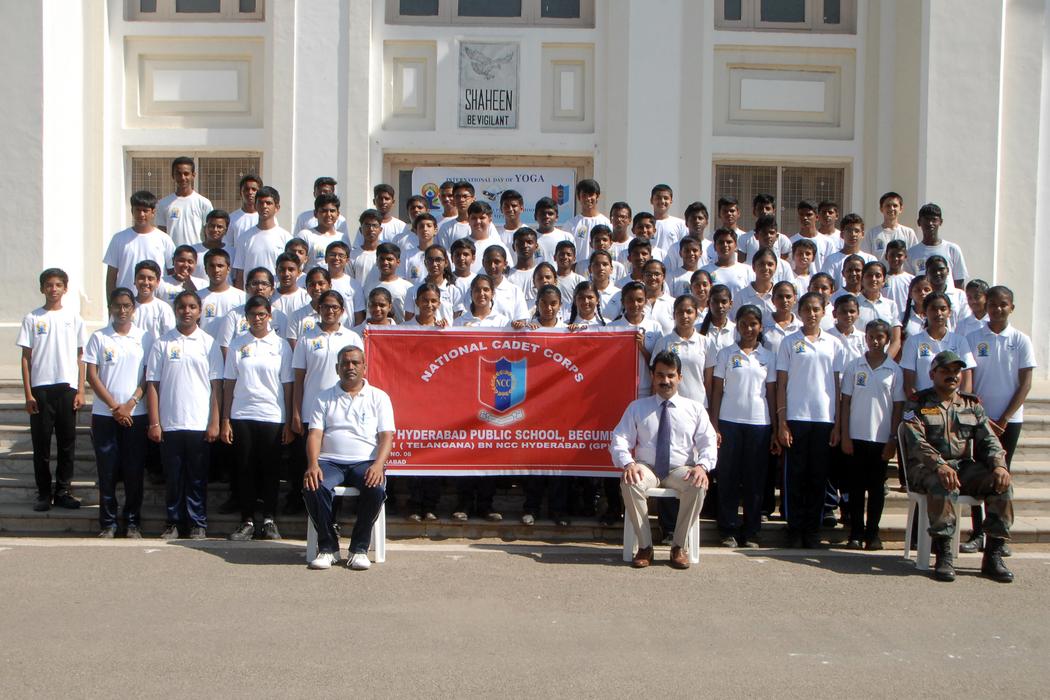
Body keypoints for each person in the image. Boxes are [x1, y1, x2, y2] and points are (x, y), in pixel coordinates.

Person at [900, 350, 1015, 583]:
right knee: (943, 481)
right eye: (945, 371)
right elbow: (916, 442)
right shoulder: (918, 403)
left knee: (1001, 483)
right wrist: (939, 465)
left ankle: (993, 555)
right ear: (932, 374)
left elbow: (989, 439)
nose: (952, 375)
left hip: (963, 466)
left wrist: (1000, 465)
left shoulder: (971, 405)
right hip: (925, 468)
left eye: (956, 371)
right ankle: (944, 553)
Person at [611, 351, 717, 569]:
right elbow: (619, 439)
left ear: (680, 377)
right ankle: (645, 546)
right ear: (652, 376)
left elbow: (708, 442)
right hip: (647, 468)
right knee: (629, 481)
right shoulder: (637, 407)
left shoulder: (694, 409)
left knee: (698, 484)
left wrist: (702, 466)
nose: (665, 381)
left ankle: (678, 546)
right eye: (660, 375)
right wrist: (628, 463)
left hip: (681, 469)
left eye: (670, 375)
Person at [303, 345, 394, 571]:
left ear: (364, 367)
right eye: (345, 363)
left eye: (355, 363)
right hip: (330, 461)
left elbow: (387, 437)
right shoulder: (323, 397)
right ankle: (328, 548)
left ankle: (359, 549)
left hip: (365, 462)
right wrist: (313, 464)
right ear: (337, 368)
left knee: (376, 488)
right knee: (313, 485)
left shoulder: (379, 397)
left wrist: (378, 465)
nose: (350, 367)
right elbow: (315, 435)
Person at [962, 285, 1035, 554]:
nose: (997, 309)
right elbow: (968, 382)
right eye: (993, 304)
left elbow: (1025, 384)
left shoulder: (1021, 340)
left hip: (1009, 421)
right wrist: (979, 415)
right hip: (980, 421)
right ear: (986, 306)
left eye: (1003, 304)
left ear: (1011, 307)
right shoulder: (972, 338)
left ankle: (999, 537)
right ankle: (978, 532)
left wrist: (1004, 418)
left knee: (1002, 474)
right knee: (979, 474)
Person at [146, 291, 223, 540]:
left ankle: (197, 522)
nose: (187, 311)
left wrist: (214, 421)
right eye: (182, 307)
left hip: (199, 422)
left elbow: (216, 386)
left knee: (197, 477)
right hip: (170, 422)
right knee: (173, 477)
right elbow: (153, 384)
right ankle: (173, 522)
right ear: (175, 310)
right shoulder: (162, 343)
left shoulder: (208, 343)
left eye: (192, 307)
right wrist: (155, 422)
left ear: (199, 311)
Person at [775, 291, 846, 548]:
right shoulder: (789, 342)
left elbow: (838, 387)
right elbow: (781, 384)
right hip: (796, 417)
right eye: (807, 309)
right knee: (795, 477)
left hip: (824, 419)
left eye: (816, 309)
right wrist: (782, 422)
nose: (812, 314)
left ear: (824, 312)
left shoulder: (834, 343)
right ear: (800, 312)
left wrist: (838, 424)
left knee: (818, 477)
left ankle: (812, 530)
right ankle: (794, 529)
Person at [221, 295, 294, 542]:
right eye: (253, 314)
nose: (257, 319)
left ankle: (270, 519)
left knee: (270, 470)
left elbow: (287, 384)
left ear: (269, 316)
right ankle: (247, 520)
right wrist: (225, 419)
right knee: (245, 469)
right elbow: (229, 383)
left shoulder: (281, 345)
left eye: (262, 314)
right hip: (242, 414)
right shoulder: (237, 344)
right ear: (246, 317)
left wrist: (288, 421)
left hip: (272, 415)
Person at [84, 288, 152, 538]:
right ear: (110, 307)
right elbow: (92, 376)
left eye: (126, 306)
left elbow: (148, 375)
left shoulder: (145, 337)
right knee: (107, 470)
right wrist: (115, 407)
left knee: (134, 469)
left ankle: (133, 522)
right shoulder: (99, 337)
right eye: (117, 305)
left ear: (133, 309)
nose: (122, 310)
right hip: (105, 415)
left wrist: (131, 403)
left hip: (136, 413)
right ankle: (108, 523)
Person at [18, 269, 87, 512]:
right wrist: (28, 394)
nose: (53, 289)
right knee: (42, 444)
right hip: (41, 389)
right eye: (49, 285)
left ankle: (63, 490)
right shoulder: (32, 318)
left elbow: (81, 356)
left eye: (58, 285)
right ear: (42, 288)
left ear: (65, 288)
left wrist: (81, 390)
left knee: (67, 442)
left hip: (67, 388)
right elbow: (26, 358)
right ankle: (44, 493)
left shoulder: (74, 318)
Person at [709, 304, 777, 548]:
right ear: (737, 326)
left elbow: (771, 393)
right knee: (727, 477)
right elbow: (717, 391)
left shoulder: (768, 356)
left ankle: (751, 531)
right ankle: (727, 529)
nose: (748, 329)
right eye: (744, 324)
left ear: (760, 327)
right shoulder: (726, 354)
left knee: (754, 480)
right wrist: (714, 425)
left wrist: (776, 428)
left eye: (753, 324)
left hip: (759, 424)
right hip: (729, 422)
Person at [839, 319, 905, 550]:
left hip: (881, 439)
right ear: (865, 338)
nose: (875, 341)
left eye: (880, 337)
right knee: (856, 488)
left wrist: (893, 439)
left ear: (887, 339)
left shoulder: (894, 370)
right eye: (871, 337)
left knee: (876, 489)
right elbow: (845, 403)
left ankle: (873, 533)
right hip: (856, 437)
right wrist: (845, 435)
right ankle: (856, 533)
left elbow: (898, 407)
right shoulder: (854, 366)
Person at [104, 190, 174, 296]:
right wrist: (111, 302)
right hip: (126, 301)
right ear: (132, 211)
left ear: (153, 212)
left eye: (145, 210)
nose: (141, 214)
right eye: (138, 210)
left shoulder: (164, 239)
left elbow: (172, 273)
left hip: (156, 300)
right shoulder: (119, 238)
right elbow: (111, 276)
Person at [232, 186, 290, 288]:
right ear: (255, 206)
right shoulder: (244, 238)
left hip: (276, 294)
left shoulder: (286, 237)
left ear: (277, 207)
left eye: (268, 203)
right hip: (251, 295)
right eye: (260, 203)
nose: (264, 206)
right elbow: (240, 274)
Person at [906, 203, 968, 288]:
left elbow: (959, 282)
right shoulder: (911, 253)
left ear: (940, 222)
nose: (930, 223)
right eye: (927, 219)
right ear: (919, 222)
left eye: (934, 219)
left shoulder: (952, 249)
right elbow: (909, 283)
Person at [156, 156, 213, 246]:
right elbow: (162, 233)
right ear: (173, 176)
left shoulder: (204, 203)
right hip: (173, 254)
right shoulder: (163, 204)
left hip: (196, 254)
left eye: (186, 174)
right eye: (178, 174)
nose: (182, 178)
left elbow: (209, 234)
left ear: (193, 175)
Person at [864, 191, 918, 261]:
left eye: (895, 206)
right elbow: (866, 258)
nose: (891, 208)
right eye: (888, 206)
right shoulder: (872, 233)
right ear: (881, 209)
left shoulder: (909, 233)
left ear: (901, 209)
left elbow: (914, 257)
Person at [226, 174, 263, 248]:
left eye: (254, 189)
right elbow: (229, 246)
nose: (250, 192)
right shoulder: (232, 218)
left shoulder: (266, 218)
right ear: (241, 193)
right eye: (246, 189)